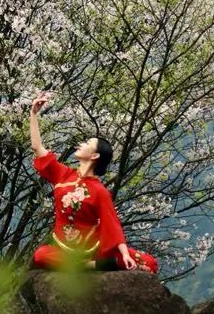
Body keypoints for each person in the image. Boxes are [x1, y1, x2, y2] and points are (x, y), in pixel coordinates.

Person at [28, 91, 158, 274]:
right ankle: (90, 268)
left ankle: (89, 266)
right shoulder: (63, 174)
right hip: (66, 250)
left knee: (148, 263)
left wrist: (124, 253)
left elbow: (111, 223)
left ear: (95, 155)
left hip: (94, 249)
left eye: (87, 142)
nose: (81, 144)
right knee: (41, 255)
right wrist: (33, 114)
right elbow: (37, 147)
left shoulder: (99, 190)